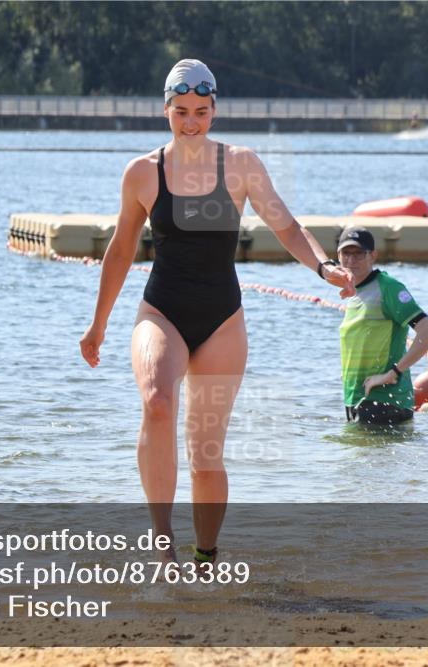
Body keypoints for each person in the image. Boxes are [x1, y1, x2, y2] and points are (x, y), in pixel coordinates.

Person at [79, 59, 354, 567]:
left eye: (201, 112)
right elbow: (120, 251)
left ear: (214, 111)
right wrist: (97, 325)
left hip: (223, 319)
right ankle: (162, 542)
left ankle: (205, 556)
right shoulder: (142, 172)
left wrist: (322, 266)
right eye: (181, 111)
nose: (190, 122)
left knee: (205, 455)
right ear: (165, 110)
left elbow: (288, 228)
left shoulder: (241, 164)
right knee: (158, 401)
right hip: (161, 310)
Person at [336, 227, 428, 426]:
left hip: (384, 401)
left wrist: (392, 373)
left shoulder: (388, 288)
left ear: (373, 255)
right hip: (357, 397)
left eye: (359, 253)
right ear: (337, 256)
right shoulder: (354, 291)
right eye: (346, 253)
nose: (351, 260)